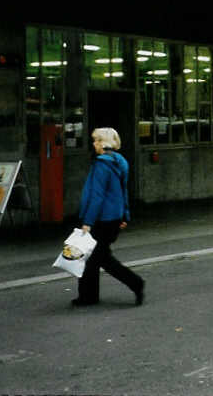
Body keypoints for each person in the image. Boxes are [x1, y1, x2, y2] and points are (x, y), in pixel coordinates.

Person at [73, 127, 145, 307]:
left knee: (94, 259)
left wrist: (87, 222)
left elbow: (97, 196)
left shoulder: (101, 165)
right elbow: (123, 191)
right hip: (114, 218)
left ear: (103, 142)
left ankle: (134, 283)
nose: (94, 144)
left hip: (101, 219)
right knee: (97, 257)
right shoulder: (121, 161)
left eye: (96, 140)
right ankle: (89, 297)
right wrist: (125, 215)